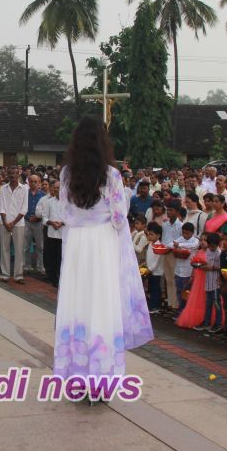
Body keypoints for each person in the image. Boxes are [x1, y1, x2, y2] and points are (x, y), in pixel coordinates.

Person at [52, 116, 152, 400]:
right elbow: (120, 216)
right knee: (102, 304)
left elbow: (65, 212)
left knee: (77, 303)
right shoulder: (111, 175)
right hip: (102, 242)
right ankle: (101, 378)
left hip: (76, 243)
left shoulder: (67, 174)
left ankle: (76, 375)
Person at [0, 165, 28, 284]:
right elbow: (2, 206)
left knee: (19, 249)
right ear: (8, 175)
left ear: (18, 174)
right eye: (10, 173)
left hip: (19, 223)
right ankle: (5, 274)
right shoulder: (3, 188)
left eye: (15, 173)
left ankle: (18, 275)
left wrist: (13, 222)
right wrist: (5, 222)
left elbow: (24, 208)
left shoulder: (24, 188)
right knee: (4, 248)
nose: (13, 175)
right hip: (4, 222)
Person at [36, 178, 64, 287]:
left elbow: (70, 217)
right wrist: (51, 222)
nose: (56, 190)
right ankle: (52, 278)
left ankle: (61, 278)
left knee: (61, 257)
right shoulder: (49, 202)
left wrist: (61, 223)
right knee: (51, 256)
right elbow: (44, 217)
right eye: (55, 188)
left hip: (63, 233)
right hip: (51, 233)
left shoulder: (68, 202)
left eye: (59, 188)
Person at [196, 232, 224, 333]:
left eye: (213, 246)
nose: (211, 248)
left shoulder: (219, 253)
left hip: (215, 282)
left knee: (216, 303)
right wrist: (202, 266)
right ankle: (207, 322)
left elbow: (221, 268)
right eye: (210, 246)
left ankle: (218, 323)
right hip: (208, 281)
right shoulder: (208, 250)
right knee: (208, 303)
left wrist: (211, 268)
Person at [24, 174, 46, 274]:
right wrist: (27, 216)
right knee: (26, 246)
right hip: (27, 221)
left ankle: (40, 267)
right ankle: (27, 266)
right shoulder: (25, 194)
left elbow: (45, 210)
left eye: (35, 182)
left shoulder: (43, 195)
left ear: (39, 183)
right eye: (31, 181)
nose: (33, 183)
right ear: (28, 182)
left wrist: (38, 217)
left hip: (39, 223)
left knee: (40, 246)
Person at [144, 221, 164, 315]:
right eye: (149, 234)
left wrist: (150, 269)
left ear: (158, 235)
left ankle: (156, 306)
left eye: (152, 234)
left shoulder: (159, 246)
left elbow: (157, 261)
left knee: (155, 289)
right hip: (150, 270)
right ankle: (152, 305)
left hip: (156, 272)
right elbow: (149, 257)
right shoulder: (150, 244)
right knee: (151, 288)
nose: (150, 236)